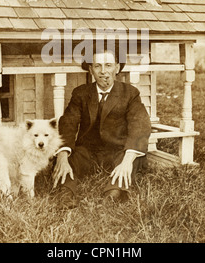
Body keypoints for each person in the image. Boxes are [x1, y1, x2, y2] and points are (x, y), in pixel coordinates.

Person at [53, 49, 151, 209]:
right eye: (97, 66)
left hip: (117, 151)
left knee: (131, 160)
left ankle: (111, 196)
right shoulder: (81, 93)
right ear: (90, 69)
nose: (103, 71)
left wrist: (127, 161)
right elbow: (68, 123)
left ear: (117, 68)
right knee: (65, 158)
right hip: (88, 152)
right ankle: (66, 196)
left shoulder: (130, 93)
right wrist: (63, 157)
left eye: (108, 65)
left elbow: (140, 125)